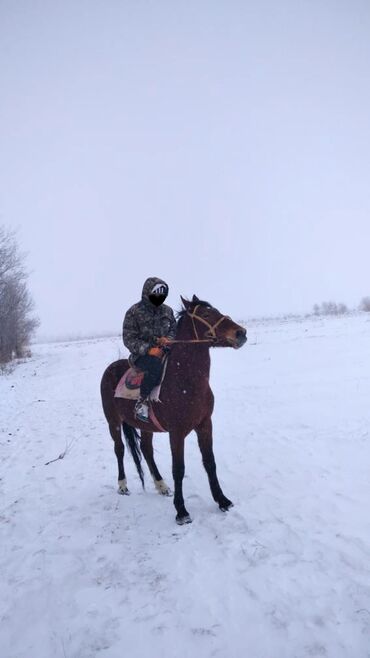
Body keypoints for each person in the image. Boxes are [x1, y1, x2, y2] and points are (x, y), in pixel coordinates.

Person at [122, 277, 176, 421]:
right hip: (141, 356)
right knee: (154, 365)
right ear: (148, 293)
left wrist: (168, 339)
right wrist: (148, 349)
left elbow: (173, 330)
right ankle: (142, 402)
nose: (159, 297)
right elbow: (129, 338)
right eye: (156, 294)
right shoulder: (134, 312)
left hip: (166, 351)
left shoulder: (168, 311)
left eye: (162, 294)